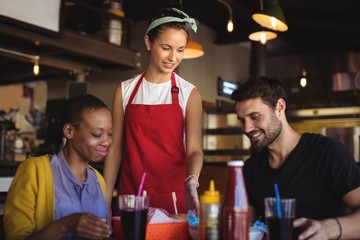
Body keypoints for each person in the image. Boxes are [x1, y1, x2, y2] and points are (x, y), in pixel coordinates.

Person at [231, 77, 360, 239]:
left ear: (280, 107)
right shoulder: (250, 169)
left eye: (255, 116)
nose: (247, 128)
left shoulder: (326, 152)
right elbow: (244, 228)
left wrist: (330, 229)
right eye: (242, 120)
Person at [103, 7, 203, 215]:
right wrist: (103, 200)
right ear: (149, 43)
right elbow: (115, 150)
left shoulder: (189, 94)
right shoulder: (124, 91)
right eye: (166, 47)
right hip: (131, 197)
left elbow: (194, 150)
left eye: (180, 49)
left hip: (174, 198)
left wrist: (192, 180)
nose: (173, 57)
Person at [4, 94, 113, 240]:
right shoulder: (34, 171)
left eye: (110, 134)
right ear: (69, 131)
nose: (106, 142)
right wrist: (66, 225)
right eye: (97, 134)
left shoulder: (98, 180)